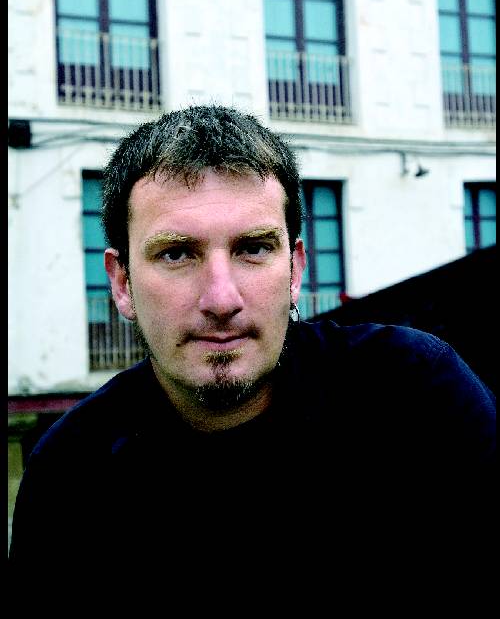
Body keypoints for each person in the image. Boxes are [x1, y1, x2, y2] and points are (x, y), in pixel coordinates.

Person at [9, 105, 495, 605]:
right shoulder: (70, 477)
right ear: (122, 283)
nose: (222, 299)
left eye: (253, 249)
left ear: (295, 270)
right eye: (177, 253)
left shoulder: (418, 398)